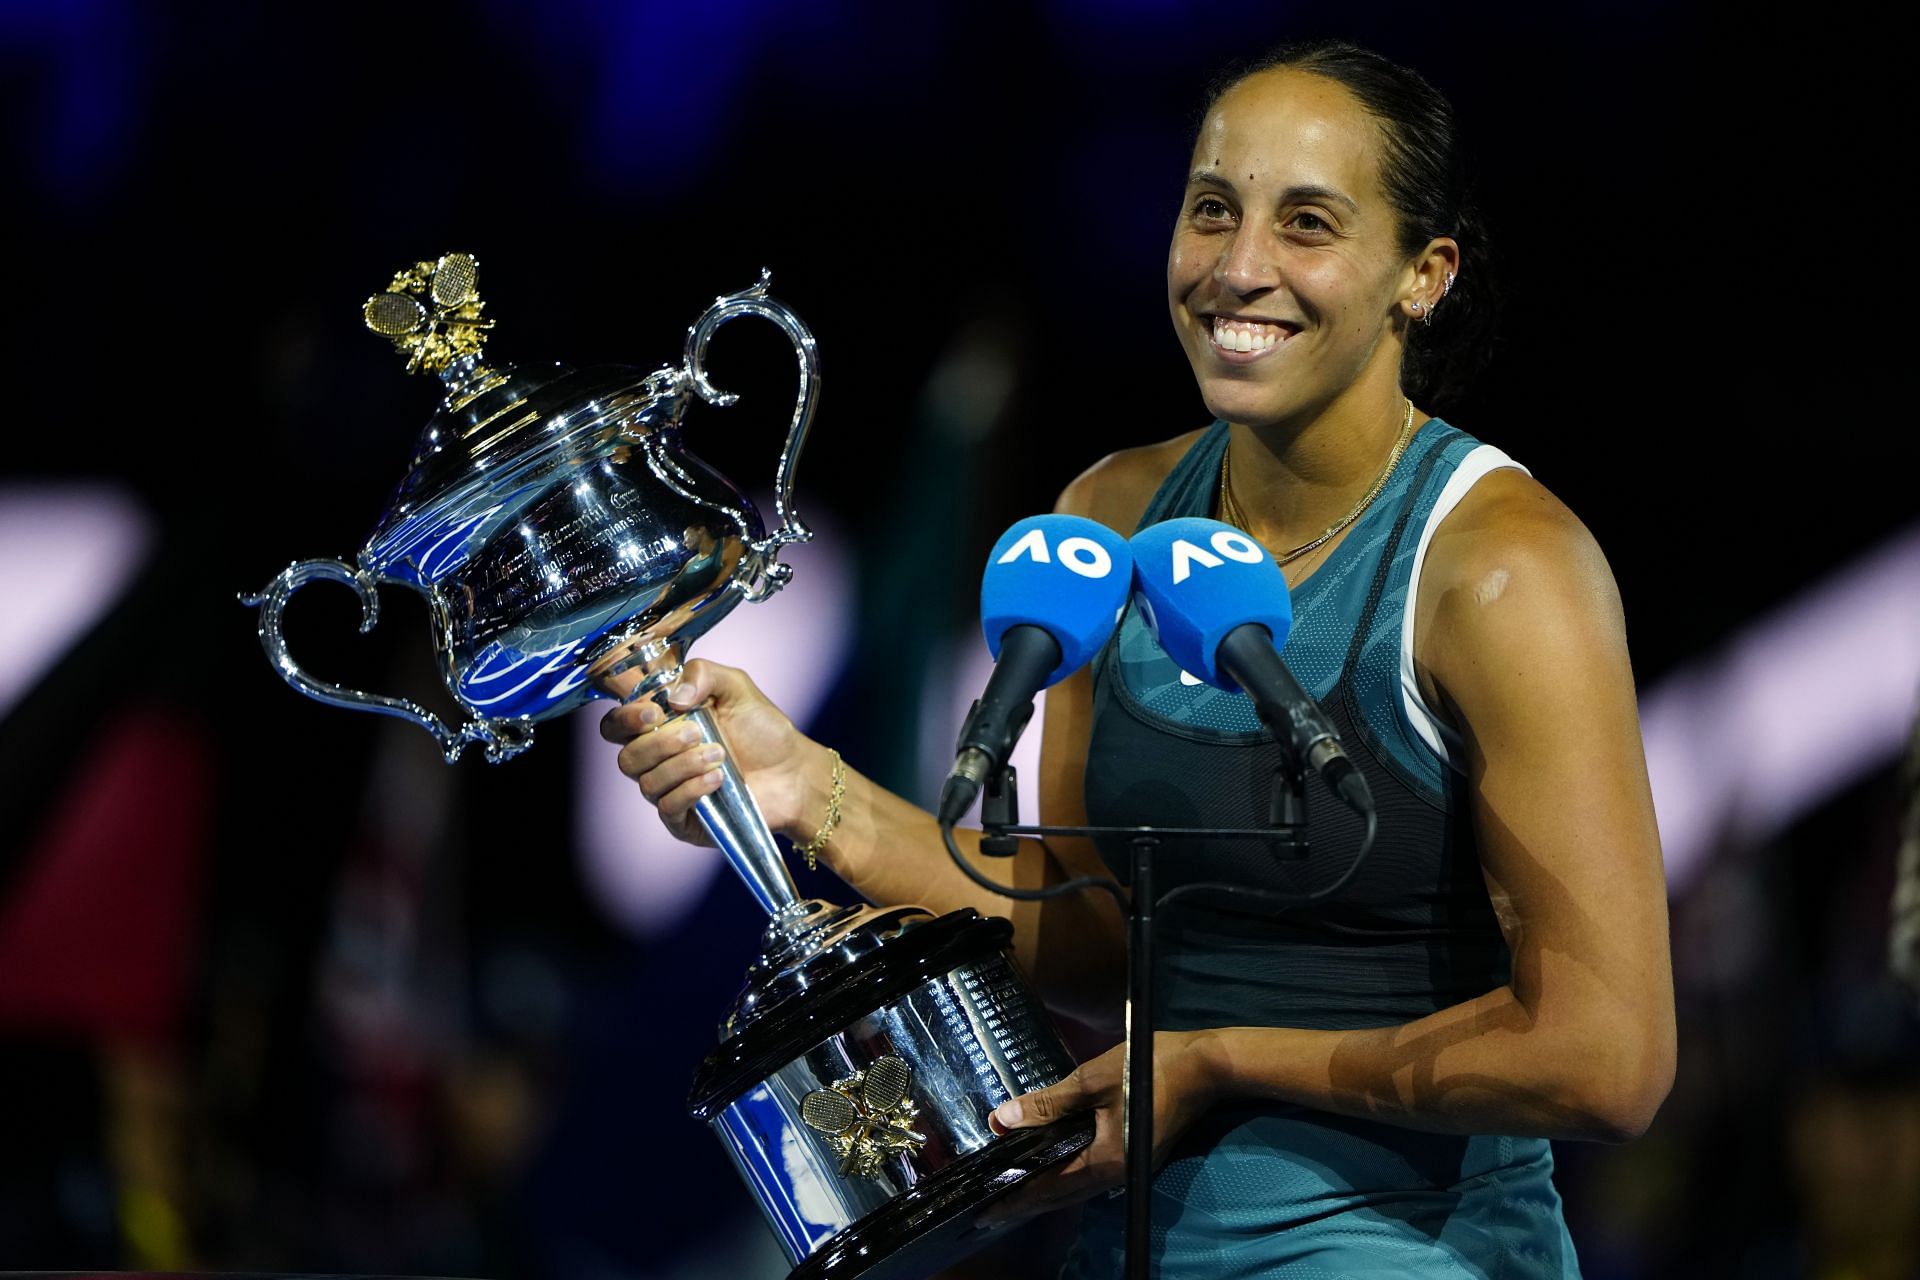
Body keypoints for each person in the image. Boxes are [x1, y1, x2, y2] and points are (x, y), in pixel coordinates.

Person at [601, 39, 1674, 1277]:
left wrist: (1220, 1059)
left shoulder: (1503, 569)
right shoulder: (1104, 521)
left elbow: (1610, 1057)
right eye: (1212, 209)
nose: (1239, 267)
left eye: (1307, 223)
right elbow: (1098, 937)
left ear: (1421, 276)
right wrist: (809, 789)